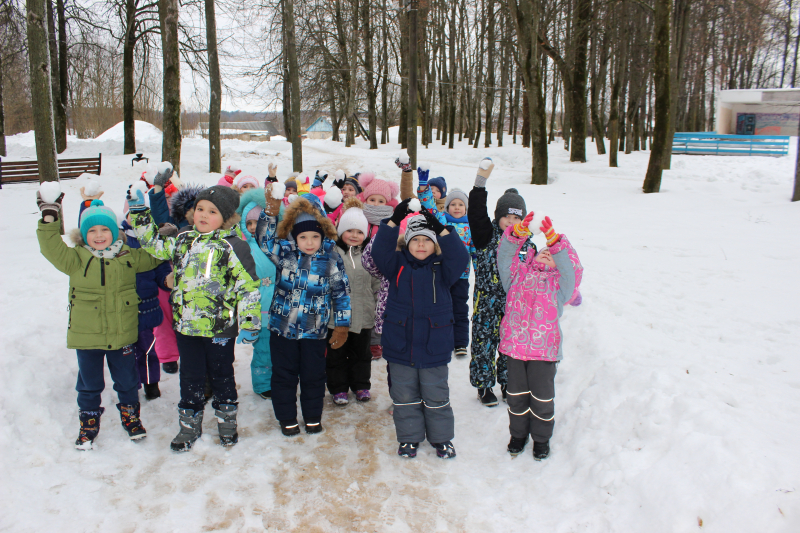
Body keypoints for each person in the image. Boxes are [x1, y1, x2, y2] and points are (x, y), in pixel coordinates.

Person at [128, 185, 261, 451]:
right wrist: (138, 210)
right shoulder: (182, 239)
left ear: (225, 217)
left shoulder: (233, 246)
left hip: (220, 328)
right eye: (200, 208)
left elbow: (248, 287)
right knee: (190, 376)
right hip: (186, 327)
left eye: (212, 211)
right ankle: (189, 425)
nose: (203, 215)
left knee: (222, 374)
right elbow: (153, 243)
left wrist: (249, 322)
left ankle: (226, 422)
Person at [36, 189, 162, 449]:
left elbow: (156, 255)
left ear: (115, 232)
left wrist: (163, 235)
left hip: (122, 334)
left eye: (104, 230)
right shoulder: (75, 259)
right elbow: (50, 247)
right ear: (83, 236)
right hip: (88, 336)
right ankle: (89, 422)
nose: (99, 236)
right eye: (92, 231)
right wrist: (49, 216)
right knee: (89, 383)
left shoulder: (128, 258)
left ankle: (131, 417)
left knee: (127, 381)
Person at [370, 200, 469, 459]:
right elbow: (379, 253)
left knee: (437, 396)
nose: (421, 245)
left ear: (435, 244)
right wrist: (393, 221)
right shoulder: (396, 265)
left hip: (434, 346)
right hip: (400, 344)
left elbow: (461, 256)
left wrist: (441, 228)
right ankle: (409, 439)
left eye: (427, 240)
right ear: (407, 243)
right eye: (416, 240)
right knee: (404, 397)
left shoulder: (444, 269)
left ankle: (442, 439)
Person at [255, 190, 351, 436]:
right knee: (284, 377)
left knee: (313, 377)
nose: (309, 242)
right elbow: (265, 240)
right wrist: (271, 211)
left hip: (313, 332)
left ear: (323, 235)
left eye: (315, 236)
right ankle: (287, 418)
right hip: (282, 330)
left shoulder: (331, 257)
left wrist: (342, 325)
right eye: (304, 237)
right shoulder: (284, 254)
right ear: (294, 237)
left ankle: (312, 418)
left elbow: (341, 292)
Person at [497, 213, 582, 460]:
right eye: (545, 249)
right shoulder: (517, 275)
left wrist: (556, 243)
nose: (547, 252)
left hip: (543, 353)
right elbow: (505, 257)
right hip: (515, 350)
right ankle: (518, 435)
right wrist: (517, 235)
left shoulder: (560, 285)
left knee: (542, 400)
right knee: (516, 398)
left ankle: (541, 439)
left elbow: (572, 271)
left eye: (552, 253)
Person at [467, 159, 536, 407]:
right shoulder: (486, 235)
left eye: (515, 217)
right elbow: (475, 212)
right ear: (498, 217)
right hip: (486, 300)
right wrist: (480, 183)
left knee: (512, 346)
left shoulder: (529, 244)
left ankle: (509, 383)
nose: (510, 221)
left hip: (515, 304)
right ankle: (484, 385)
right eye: (505, 216)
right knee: (484, 343)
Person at [416, 165, 475, 359]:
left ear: (466, 208)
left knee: (459, 308)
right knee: (439, 308)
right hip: (441, 273)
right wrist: (424, 186)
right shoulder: (442, 221)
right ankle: (439, 338)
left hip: (461, 276)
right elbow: (430, 207)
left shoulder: (470, 227)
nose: (457, 208)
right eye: (453, 204)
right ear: (447, 206)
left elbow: (475, 251)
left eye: (461, 205)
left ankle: (459, 342)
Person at [118, 198, 174, 400]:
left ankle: (151, 382)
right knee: (124, 353)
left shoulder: (152, 241)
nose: (135, 219)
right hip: (122, 311)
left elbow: (161, 268)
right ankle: (130, 385)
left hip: (146, 307)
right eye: (130, 215)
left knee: (147, 348)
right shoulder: (117, 240)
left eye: (140, 214)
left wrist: (167, 280)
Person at [327, 198, 379, 405]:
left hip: (363, 314)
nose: (354, 236)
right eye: (350, 231)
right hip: (336, 317)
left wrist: (379, 304)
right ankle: (338, 388)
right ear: (341, 232)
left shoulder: (370, 255)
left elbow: (377, 282)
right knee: (336, 354)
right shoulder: (332, 254)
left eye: (359, 232)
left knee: (361, 355)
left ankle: (361, 385)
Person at [235, 189, 280, 400]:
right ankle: (263, 384)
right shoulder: (244, 248)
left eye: (259, 222)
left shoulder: (277, 245)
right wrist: (248, 321)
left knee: (281, 351)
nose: (254, 228)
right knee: (263, 350)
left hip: (280, 308)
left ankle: (281, 379)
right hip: (259, 309)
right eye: (250, 223)